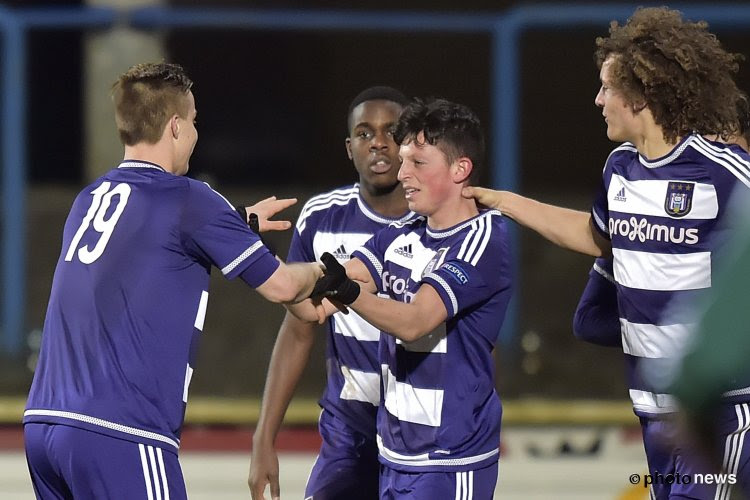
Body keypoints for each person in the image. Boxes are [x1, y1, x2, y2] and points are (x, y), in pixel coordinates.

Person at [463, 7, 750, 499]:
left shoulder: (722, 169)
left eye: (606, 88)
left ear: (640, 95)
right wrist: (504, 201)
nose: (598, 100)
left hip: (723, 405)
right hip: (654, 404)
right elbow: (596, 237)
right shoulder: (620, 168)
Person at [22, 62, 323, 500]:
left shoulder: (90, 198)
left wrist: (234, 225)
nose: (197, 134)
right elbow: (280, 286)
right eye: (195, 121)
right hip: (121, 432)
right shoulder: (190, 198)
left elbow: (144, 247)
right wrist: (327, 271)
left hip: (45, 425)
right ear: (177, 127)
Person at [294, 98, 513, 499]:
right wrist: (249, 254)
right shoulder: (405, 230)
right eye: (405, 160)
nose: (403, 172)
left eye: (418, 163)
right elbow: (315, 298)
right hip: (394, 457)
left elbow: (415, 319)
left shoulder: (484, 239)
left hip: (448, 462)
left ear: (460, 169)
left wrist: (346, 291)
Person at [248, 86, 412, 500]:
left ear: (412, 141)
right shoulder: (322, 218)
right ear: (348, 148)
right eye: (364, 132)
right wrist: (264, 437)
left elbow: (476, 339)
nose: (378, 141)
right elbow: (298, 330)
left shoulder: (441, 220)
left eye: (392, 130)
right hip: (349, 435)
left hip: (421, 438)